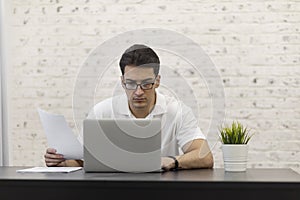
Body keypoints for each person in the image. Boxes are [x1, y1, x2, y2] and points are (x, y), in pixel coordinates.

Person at [44, 44, 214, 171]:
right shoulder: (102, 111)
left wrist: (173, 160)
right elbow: (82, 159)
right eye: (131, 84)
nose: (138, 92)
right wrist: (62, 162)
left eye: (146, 84)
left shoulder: (177, 111)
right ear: (122, 82)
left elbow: (205, 156)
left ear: (158, 81)